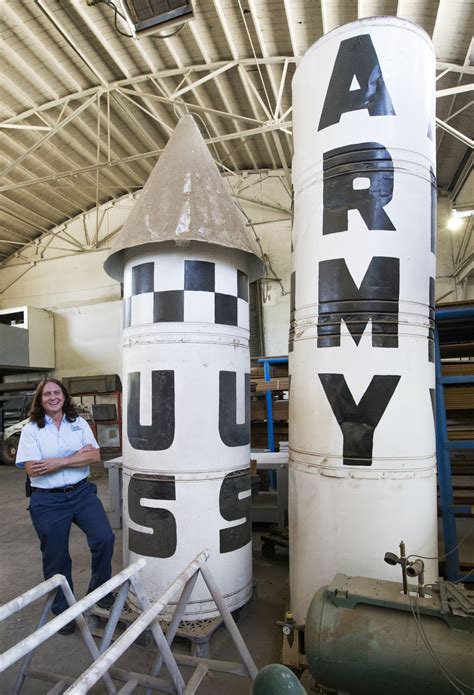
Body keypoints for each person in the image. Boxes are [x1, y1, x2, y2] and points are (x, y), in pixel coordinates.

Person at [15, 378, 115, 635]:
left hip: (81, 493)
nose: (52, 397)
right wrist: (76, 456)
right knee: (56, 557)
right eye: (46, 394)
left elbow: (94, 456)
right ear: (40, 399)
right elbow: (33, 468)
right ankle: (63, 611)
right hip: (48, 501)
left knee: (104, 538)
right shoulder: (31, 430)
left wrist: (57, 462)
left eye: (56, 392)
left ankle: (99, 593)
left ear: (64, 396)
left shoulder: (78, 423)